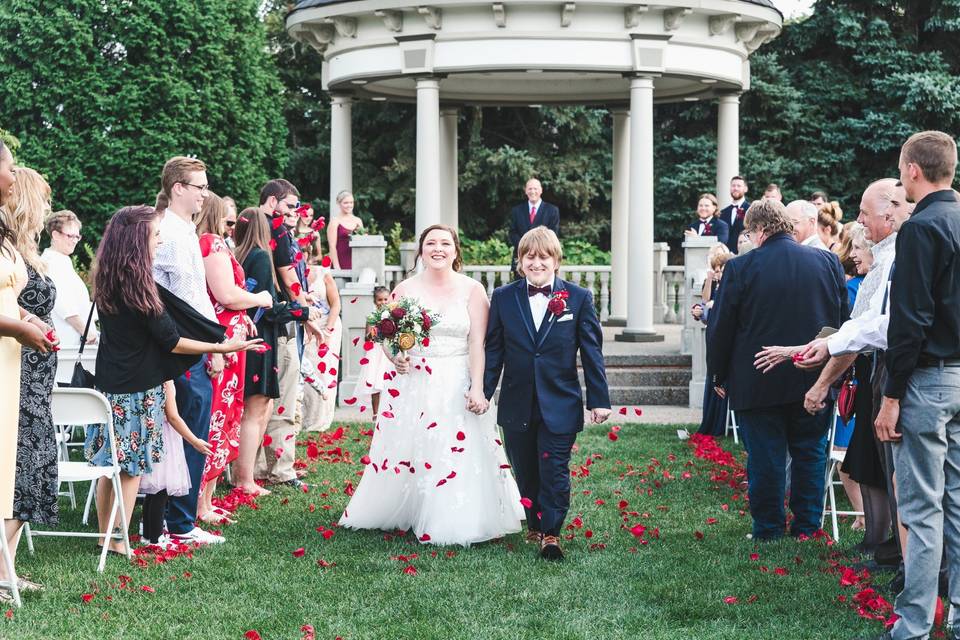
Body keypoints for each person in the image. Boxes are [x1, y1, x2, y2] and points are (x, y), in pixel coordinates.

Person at [87, 205, 261, 555]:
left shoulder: (106, 276)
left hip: (108, 385)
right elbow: (172, 340)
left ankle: (106, 535)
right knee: (131, 469)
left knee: (110, 467)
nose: (159, 240)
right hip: (136, 388)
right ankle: (118, 541)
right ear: (137, 240)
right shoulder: (139, 285)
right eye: (154, 235)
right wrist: (222, 345)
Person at [340, 224, 524, 546]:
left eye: (445, 243)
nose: (438, 249)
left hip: (457, 378)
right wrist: (395, 356)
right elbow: (387, 334)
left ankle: (455, 515)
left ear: (455, 250)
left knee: (456, 447)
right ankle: (409, 508)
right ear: (421, 250)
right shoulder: (406, 289)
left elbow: (478, 345)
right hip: (415, 380)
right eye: (430, 243)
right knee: (414, 444)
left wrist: (479, 388)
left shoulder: (473, 290)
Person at [862, 131, 960, 640]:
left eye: (902, 169)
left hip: (927, 379)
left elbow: (911, 319)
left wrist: (892, 395)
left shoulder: (922, 227)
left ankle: (914, 624)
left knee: (922, 508)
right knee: (959, 504)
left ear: (914, 171)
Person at [707, 198, 847, 541]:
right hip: (812, 375)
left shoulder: (741, 268)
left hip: (758, 377)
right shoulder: (827, 261)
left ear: (759, 230)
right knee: (810, 452)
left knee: (766, 456)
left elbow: (722, 327)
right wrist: (833, 371)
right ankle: (806, 526)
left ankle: (769, 528)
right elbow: (841, 319)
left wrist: (719, 374)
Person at [484, 226, 611, 560]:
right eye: (529, 256)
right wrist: (484, 392)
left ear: (556, 260)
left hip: (561, 401)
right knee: (525, 468)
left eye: (543, 257)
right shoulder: (503, 297)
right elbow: (494, 351)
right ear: (519, 261)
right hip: (516, 401)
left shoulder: (579, 298)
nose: (536, 262)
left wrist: (599, 399)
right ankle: (536, 523)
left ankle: (551, 534)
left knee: (554, 468)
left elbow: (591, 352)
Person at [152, 156, 225, 546]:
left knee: (185, 430)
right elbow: (185, 300)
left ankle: (170, 520)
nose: (205, 194)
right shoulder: (170, 232)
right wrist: (213, 345)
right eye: (199, 187)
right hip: (181, 349)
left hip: (188, 344)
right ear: (178, 188)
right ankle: (179, 523)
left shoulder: (183, 229)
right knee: (190, 430)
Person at [0, 141, 56, 603]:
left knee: (25, 468)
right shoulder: (12, 249)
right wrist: (22, 324)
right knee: (16, 466)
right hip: (13, 370)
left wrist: (29, 320)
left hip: (28, 368)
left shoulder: (18, 252)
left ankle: (7, 566)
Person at [195, 192, 272, 523]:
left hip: (232, 340)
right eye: (228, 218)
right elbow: (225, 295)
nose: (233, 224)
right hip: (222, 342)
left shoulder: (216, 243)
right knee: (218, 417)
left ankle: (207, 501)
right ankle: (201, 504)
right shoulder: (211, 243)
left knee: (227, 415)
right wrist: (260, 297)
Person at [232, 207, 320, 496]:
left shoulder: (241, 255)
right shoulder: (258, 257)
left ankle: (245, 476)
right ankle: (245, 479)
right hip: (262, 338)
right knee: (255, 411)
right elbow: (266, 308)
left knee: (254, 410)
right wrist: (303, 311)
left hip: (251, 337)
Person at [255, 179, 318, 490]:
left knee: (266, 400)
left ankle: (264, 466)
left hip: (270, 322)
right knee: (282, 398)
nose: (297, 211)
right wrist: (306, 314)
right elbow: (288, 278)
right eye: (291, 205)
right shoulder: (275, 229)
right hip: (281, 322)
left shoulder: (256, 227)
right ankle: (281, 468)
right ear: (272, 202)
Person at [139, 379, 213, 544]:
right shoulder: (166, 381)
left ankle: (147, 534)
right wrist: (195, 441)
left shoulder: (148, 378)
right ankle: (157, 538)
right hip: (165, 441)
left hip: (152, 437)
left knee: (153, 491)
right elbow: (173, 417)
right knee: (161, 490)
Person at [301, 238, 343, 433]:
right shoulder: (290, 275)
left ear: (309, 254)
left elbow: (336, 304)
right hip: (306, 326)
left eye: (303, 253)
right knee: (307, 369)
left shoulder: (322, 274)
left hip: (328, 323)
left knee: (325, 371)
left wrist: (328, 331)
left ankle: (321, 420)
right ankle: (303, 417)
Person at [41, 209, 97, 348]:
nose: (74, 241)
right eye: (70, 236)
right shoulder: (52, 262)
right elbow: (63, 305)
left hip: (71, 340)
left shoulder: (62, 260)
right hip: (67, 341)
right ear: (55, 235)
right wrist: (86, 332)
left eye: (77, 237)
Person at [693, 244, 732, 436]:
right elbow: (704, 300)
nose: (718, 273)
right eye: (716, 269)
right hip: (713, 334)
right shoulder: (715, 283)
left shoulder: (732, 285)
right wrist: (709, 280)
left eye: (721, 270)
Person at [350, 286, 394, 420]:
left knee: (389, 382)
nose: (383, 302)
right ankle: (376, 413)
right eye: (379, 300)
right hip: (376, 352)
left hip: (389, 351)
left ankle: (390, 409)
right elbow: (367, 337)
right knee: (375, 381)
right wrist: (373, 333)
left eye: (385, 299)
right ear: (375, 302)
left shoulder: (394, 315)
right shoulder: (372, 317)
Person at [508, 178, 560, 275]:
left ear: (541, 190)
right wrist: (526, 247)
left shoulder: (552, 210)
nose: (533, 191)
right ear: (526, 191)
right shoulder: (516, 211)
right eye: (530, 189)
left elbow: (553, 234)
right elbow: (512, 233)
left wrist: (537, 249)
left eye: (535, 189)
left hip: (543, 261)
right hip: (521, 259)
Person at [326, 190, 363, 270]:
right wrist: (336, 267)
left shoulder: (358, 221)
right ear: (339, 204)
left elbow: (362, 243)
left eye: (351, 202)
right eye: (345, 203)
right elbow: (332, 247)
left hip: (356, 263)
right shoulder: (335, 221)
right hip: (341, 263)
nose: (349, 205)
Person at [718, 176, 750, 253]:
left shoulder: (750, 209)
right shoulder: (723, 212)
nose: (735, 188)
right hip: (726, 254)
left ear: (745, 189)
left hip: (745, 253)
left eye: (739, 186)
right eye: (733, 186)